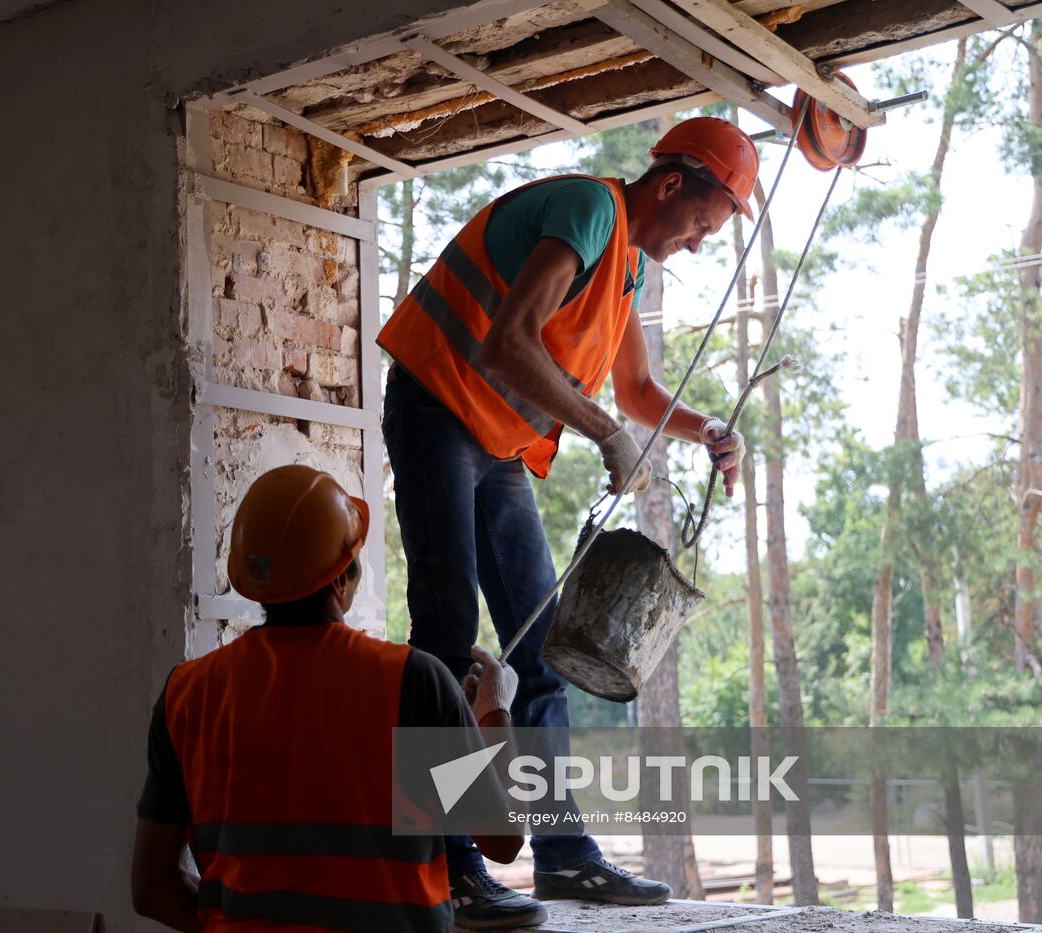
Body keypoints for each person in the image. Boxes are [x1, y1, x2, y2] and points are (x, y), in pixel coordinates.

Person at [376, 116, 754, 925]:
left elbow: (638, 396)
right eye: (702, 223)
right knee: (443, 631)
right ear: (670, 186)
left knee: (540, 645)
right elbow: (508, 343)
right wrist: (607, 436)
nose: (696, 243)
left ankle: (564, 855)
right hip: (439, 407)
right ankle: (443, 861)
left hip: (496, 444)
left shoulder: (625, 270)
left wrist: (706, 428)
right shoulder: (589, 210)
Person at [132, 464, 540, 932]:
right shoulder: (411, 680)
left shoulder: (188, 693)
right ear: (341, 577)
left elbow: (150, 889)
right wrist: (495, 713)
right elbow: (503, 840)